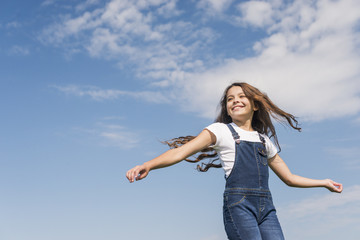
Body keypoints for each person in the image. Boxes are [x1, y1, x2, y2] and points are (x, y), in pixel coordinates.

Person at [126, 82, 343, 240]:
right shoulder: (219, 131)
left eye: (241, 96)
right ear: (227, 108)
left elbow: (290, 178)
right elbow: (181, 152)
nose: (235, 101)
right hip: (239, 206)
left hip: (267, 209)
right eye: (230, 99)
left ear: (255, 105)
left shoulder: (263, 140)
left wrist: (323, 182)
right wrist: (148, 165)